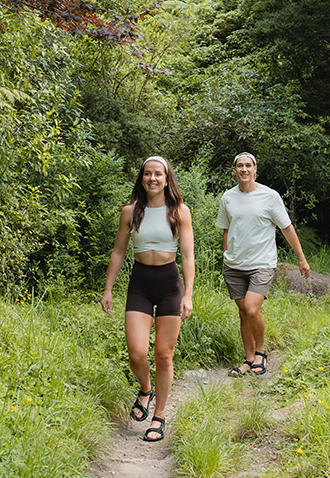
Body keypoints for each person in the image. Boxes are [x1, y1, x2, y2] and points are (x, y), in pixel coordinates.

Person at [101, 155, 195, 443]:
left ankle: (159, 416)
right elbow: (118, 252)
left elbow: (189, 255)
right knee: (137, 353)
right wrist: (108, 289)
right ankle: (145, 389)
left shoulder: (179, 211)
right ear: (141, 178)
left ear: (167, 179)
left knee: (163, 355)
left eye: (158, 174)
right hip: (140, 284)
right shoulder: (130, 211)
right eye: (147, 174)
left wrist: (188, 294)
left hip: (170, 285)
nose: (152, 178)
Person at [216, 152, 310, 377]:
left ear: (256, 169)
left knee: (251, 308)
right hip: (234, 265)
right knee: (242, 313)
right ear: (235, 170)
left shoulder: (270, 196)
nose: (244, 169)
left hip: (262, 263)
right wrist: (226, 252)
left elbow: (287, 227)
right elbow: (226, 228)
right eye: (240, 166)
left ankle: (261, 353)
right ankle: (248, 359)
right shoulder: (228, 198)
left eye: (248, 165)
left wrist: (302, 258)